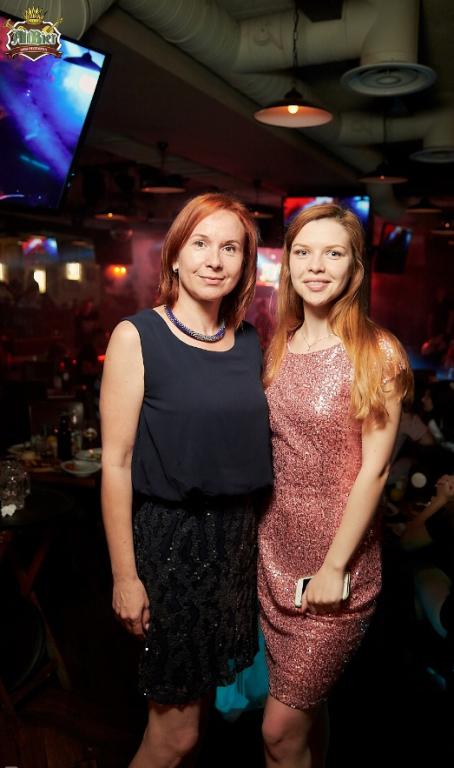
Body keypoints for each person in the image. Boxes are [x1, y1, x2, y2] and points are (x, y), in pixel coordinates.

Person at [100, 193, 273, 768]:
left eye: (230, 248)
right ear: (175, 255)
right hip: (172, 547)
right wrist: (126, 577)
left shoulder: (249, 342)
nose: (214, 260)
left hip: (235, 547)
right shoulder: (136, 336)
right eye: (200, 243)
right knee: (173, 737)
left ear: (244, 264)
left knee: (199, 729)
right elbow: (117, 464)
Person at [258, 203, 412, 767]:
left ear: (355, 267)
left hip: (335, 574)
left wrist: (334, 566)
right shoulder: (278, 346)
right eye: (303, 252)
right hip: (273, 561)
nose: (316, 266)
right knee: (307, 716)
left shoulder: (377, 351)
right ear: (288, 264)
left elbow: (375, 470)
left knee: (278, 732)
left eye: (333, 253)